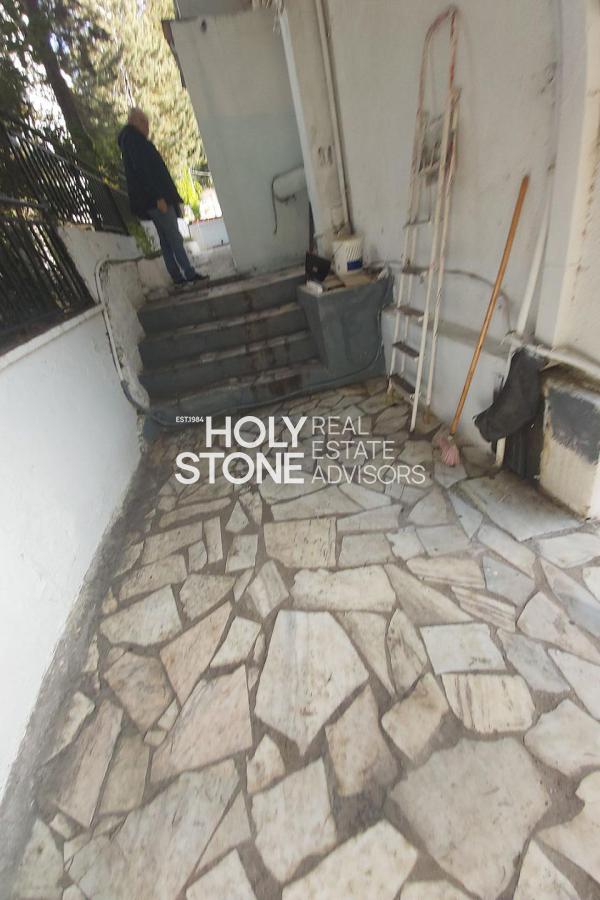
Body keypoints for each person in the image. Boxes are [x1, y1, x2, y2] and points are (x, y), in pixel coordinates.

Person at [118, 108, 208, 286]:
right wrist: (158, 197)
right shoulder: (135, 142)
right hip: (157, 200)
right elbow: (145, 172)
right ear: (136, 122)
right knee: (174, 237)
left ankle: (177, 277)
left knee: (166, 240)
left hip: (152, 201)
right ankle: (189, 273)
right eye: (145, 123)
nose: (148, 127)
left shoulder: (131, 142)